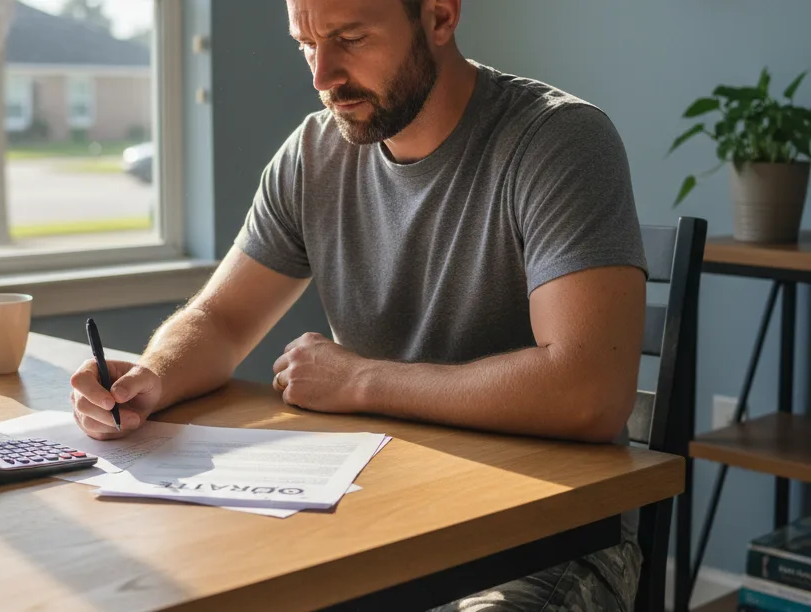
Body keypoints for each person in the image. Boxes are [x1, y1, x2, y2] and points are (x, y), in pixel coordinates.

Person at [70, 0, 648, 609]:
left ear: (440, 18)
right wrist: (151, 377)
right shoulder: (314, 155)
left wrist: (363, 380)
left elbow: (590, 394)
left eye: (350, 38)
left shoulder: (559, 141)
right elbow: (220, 319)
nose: (323, 76)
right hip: (380, 510)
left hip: (545, 530)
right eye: (306, 44)